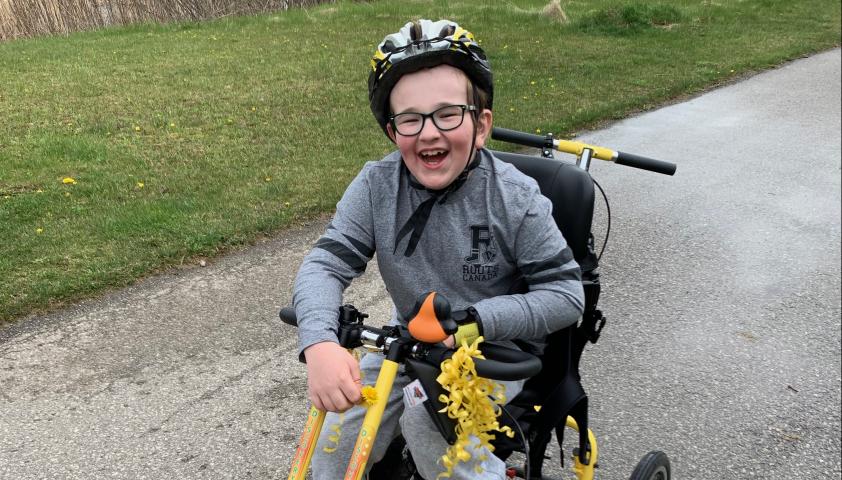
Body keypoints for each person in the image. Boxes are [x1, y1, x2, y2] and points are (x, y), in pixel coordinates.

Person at [292, 18, 585, 480]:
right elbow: (325, 263)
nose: (428, 133)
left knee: (428, 428)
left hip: (490, 353)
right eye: (409, 119)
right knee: (334, 443)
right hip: (405, 342)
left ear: (481, 123)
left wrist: (472, 322)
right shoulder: (376, 185)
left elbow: (566, 295)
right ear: (393, 131)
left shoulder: (516, 198)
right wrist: (320, 342)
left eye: (448, 114)